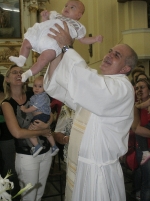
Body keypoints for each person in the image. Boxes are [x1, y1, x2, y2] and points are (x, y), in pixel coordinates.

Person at [43, 22, 138, 201]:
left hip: (98, 172)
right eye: (110, 50)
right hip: (81, 166)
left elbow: (88, 83)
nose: (109, 55)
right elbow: (62, 87)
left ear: (126, 69)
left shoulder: (122, 87)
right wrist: (56, 52)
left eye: (116, 55)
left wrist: (67, 47)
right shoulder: (99, 87)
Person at [9, 0, 103, 82]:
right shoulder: (55, 15)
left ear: (79, 15)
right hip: (42, 35)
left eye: (72, 7)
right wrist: (45, 17)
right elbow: (45, 25)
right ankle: (21, 58)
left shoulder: (77, 26)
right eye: (66, 6)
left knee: (43, 59)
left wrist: (95, 39)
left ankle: (28, 74)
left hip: (53, 44)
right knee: (27, 41)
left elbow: (83, 39)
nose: (67, 8)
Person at [1, 64, 53, 201]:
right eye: (14, 72)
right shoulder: (7, 103)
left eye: (21, 72)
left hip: (46, 152)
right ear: (7, 79)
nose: (19, 74)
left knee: (39, 195)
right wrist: (44, 130)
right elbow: (17, 133)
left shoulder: (34, 92)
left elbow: (50, 113)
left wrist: (47, 124)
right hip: (27, 156)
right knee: (29, 197)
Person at [20, 75, 59, 157]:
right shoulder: (38, 96)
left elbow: (33, 108)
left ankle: (37, 146)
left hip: (40, 116)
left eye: (40, 86)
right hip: (43, 116)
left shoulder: (42, 96)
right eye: (35, 86)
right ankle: (54, 146)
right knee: (47, 131)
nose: (37, 88)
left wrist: (24, 109)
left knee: (30, 131)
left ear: (45, 88)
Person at [0, 73, 20, 199]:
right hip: (6, 139)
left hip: (6, 139)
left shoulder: (5, 100)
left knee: (9, 171)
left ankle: (13, 196)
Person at [134, 78, 150, 166]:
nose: (139, 90)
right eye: (137, 88)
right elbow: (137, 129)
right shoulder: (135, 107)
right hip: (143, 148)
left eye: (142, 87)